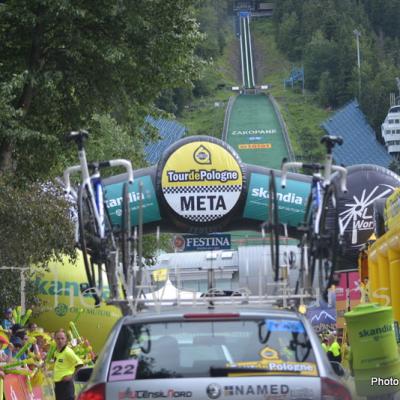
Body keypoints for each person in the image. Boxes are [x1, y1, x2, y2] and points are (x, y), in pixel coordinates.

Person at [53, 329, 83, 400]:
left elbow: (80, 364)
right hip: (58, 385)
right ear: (54, 339)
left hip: (66, 385)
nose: (60, 341)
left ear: (66, 340)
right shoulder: (56, 352)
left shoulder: (68, 352)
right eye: (58, 338)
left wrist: (71, 377)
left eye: (62, 338)